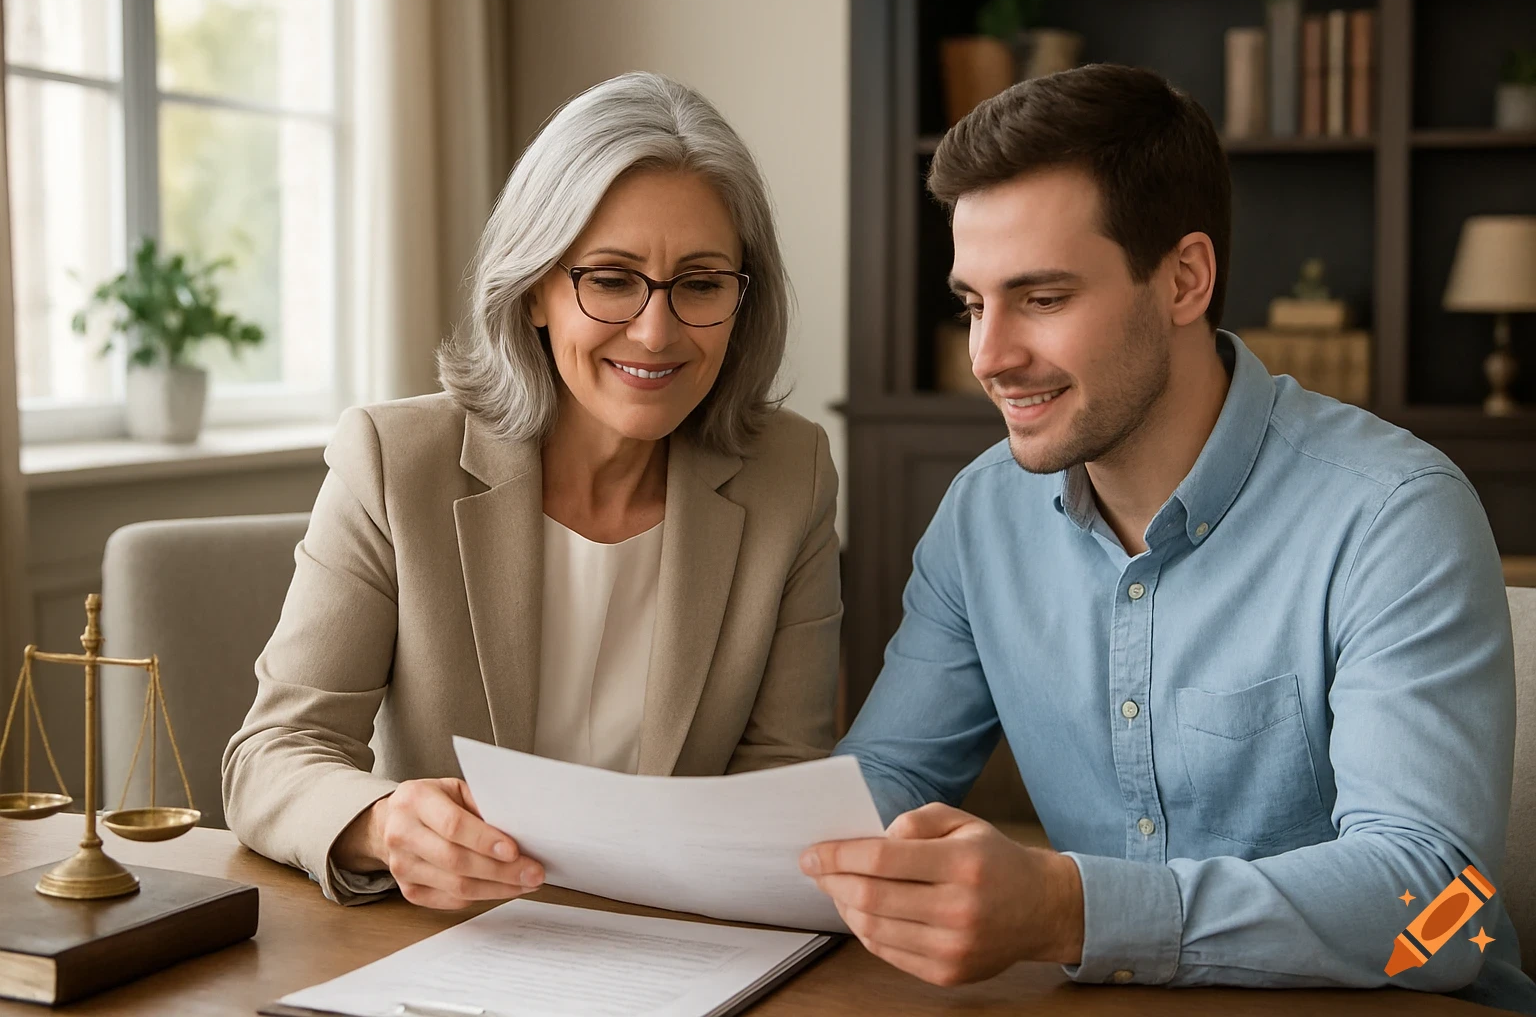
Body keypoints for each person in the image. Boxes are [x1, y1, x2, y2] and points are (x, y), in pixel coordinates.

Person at [801, 64, 1536, 1014]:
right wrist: (676, 847)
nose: (988, 357)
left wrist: (1074, 910)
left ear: (1185, 279)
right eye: (973, 303)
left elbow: (1447, 910)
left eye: (1044, 298)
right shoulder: (981, 516)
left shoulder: (1395, 515)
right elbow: (888, 778)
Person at [224, 72, 841, 909]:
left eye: (700, 284)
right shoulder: (395, 460)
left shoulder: (790, 474)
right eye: (612, 278)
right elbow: (274, 754)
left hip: (681, 947)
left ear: (741, 300)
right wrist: (380, 822)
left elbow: (781, 780)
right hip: (442, 943)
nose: (656, 332)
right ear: (537, 289)